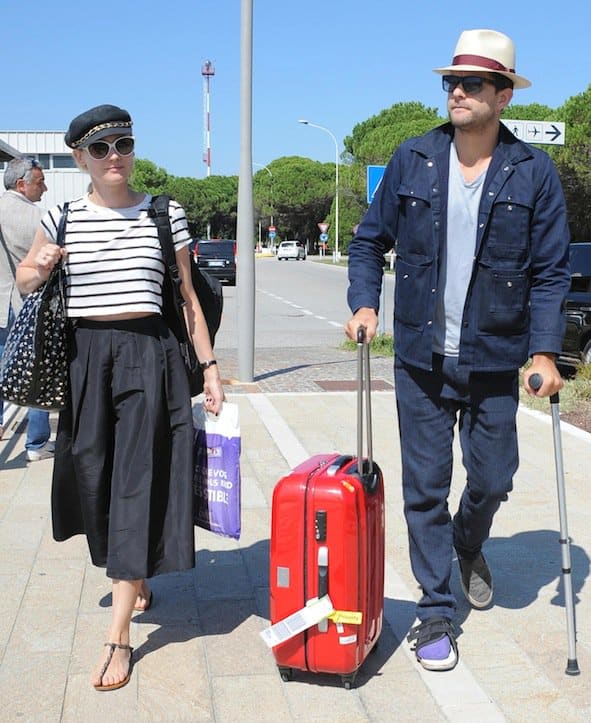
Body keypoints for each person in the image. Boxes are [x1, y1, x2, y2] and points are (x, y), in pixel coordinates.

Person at [345, 29, 570, 671]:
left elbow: (552, 272)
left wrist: (546, 354)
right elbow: (367, 241)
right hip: (419, 357)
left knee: (494, 477)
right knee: (424, 487)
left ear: (502, 94)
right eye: (451, 82)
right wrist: (364, 303)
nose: (458, 93)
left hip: (497, 359)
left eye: (472, 84)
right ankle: (436, 611)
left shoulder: (534, 172)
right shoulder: (413, 159)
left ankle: (467, 546)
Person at [16, 104, 225, 691]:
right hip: (87, 360)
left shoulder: (165, 213)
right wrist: (41, 264)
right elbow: (25, 279)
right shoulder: (61, 215)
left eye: (123, 145)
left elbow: (186, 299)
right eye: (101, 149)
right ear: (80, 158)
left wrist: (208, 368)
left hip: (149, 357)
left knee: (136, 480)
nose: (115, 157)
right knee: (95, 478)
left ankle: (117, 637)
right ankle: (137, 576)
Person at [0, 157, 54, 459]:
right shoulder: (38, 218)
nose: (44, 188)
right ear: (21, 184)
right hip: (24, 304)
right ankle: (36, 443)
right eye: (39, 182)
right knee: (37, 369)